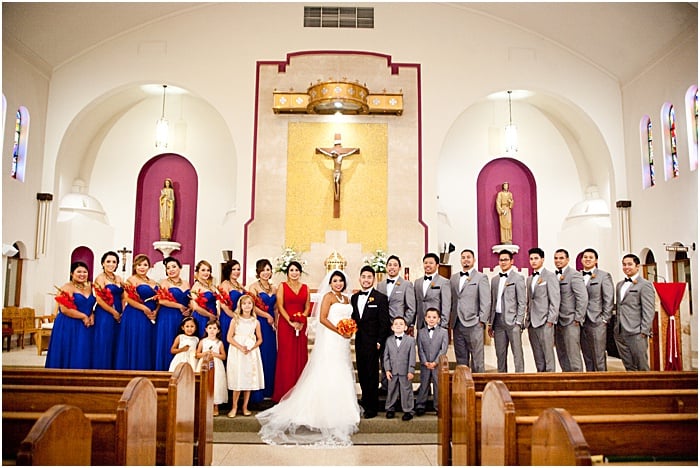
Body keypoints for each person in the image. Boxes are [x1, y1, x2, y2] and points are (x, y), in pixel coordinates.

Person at [256, 269, 361, 446]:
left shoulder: (346, 298)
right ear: (330, 283)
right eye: (335, 281)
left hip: (343, 341)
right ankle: (322, 409)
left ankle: (344, 407)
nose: (338, 284)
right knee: (329, 369)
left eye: (340, 281)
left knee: (342, 369)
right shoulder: (328, 297)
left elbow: (348, 317)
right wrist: (340, 330)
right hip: (331, 338)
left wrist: (348, 329)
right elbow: (322, 318)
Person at [351, 265, 391, 419]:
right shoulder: (354, 298)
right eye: (363, 277)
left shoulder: (380, 298)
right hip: (360, 341)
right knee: (362, 371)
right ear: (359, 279)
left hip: (374, 342)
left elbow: (384, 322)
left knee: (372, 373)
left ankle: (372, 406)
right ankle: (365, 399)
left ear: (373, 279)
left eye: (369, 277)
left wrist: (380, 341)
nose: (366, 280)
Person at [272, 261, 310, 402]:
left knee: (300, 356)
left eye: (297, 270)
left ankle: (299, 390)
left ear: (300, 272)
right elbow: (280, 306)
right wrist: (290, 321)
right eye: (292, 270)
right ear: (287, 272)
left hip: (301, 325)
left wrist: (301, 320)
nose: (294, 273)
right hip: (286, 325)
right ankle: (285, 390)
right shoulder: (282, 286)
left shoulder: (305, 288)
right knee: (286, 356)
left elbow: (307, 307)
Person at [46, 261, 96, 369]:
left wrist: (92, 314)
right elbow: (64, 309)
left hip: (86, 325)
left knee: (83, 351)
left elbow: (89, 305)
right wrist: (83, 316)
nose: (82, 274)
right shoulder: (66, 287)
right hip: (69, 324)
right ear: (72, 273)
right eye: (79, 272)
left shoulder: (89, 287)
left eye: (85, 272)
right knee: (71, 351)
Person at [376, 254, 415, 391]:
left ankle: (400, 385)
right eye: (390, 265)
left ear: (399, 267)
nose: (392, 267)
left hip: (398, 327)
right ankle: (385, 384)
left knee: (400, 356)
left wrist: (404, 325)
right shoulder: (380, 285)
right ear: (386, 267)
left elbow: (411, 308)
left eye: (395, 265)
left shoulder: (406, 285)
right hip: (383, 327)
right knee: (384, 356)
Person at [115, 254, 159, 370]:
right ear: (135, 266)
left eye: (145, 265)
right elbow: (128, 298)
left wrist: (156, 310)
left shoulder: (154, 282)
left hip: (150, 317)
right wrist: (143, 308)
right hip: (135, 314)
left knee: (146, 342)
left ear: (149, 267)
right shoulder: (131, 280)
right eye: (139, 265)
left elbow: (159, 298)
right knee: (136, 341)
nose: (142, 267)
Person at [449, 249, 490, 371]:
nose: (465, 259)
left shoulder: (481, 277)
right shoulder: (454, 278)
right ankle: (463, 388)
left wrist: (481, 320)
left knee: (477, 359)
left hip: (474, 323)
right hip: (457, 323)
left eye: (468, 257)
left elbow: (486, 301)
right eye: (463, 257)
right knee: (461, 358)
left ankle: (479, 387)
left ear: (474, 260)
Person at [614, 254, 655, 371]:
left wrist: (644, 331)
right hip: (620, 331)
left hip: (637, 331)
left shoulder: (645, 285)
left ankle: (647, 388)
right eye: (624, 264)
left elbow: (648, 309)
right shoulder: (619, 285)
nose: (626, 267)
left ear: (637, 266)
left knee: (641, 365)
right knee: (629, 366)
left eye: (630, 264)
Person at [488, 250, 527, 373]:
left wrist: (519, 322)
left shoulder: (518, 278)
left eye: (506, 259)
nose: (503, 262)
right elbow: (493, 301)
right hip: (498, 321)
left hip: (513, 321)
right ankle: (502, 379)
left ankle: (519, 379)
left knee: (517, 354)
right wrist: (490, 323)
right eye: (501, 260)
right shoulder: (494, 280)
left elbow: (522, 301)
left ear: (512, 261)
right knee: (500, 354)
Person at [227, 294, 264, 417]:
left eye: (249, 303)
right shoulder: (235, 320)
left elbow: (260, 339)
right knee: (238, 379)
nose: (247, 306)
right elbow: (229, 338)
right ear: (240, 306)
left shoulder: (256, 322)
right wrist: (240, 347)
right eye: (244, 304)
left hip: (250, 352)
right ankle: (234, 407)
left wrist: (252, 347)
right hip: (238, 351)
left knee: (248, 379)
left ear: (253, 306)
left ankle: (245, 407)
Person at [247, 258, 277, 403]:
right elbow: (251, 306)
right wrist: (267, 316)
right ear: (258, 272)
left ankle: (270, 389)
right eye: (263, 270)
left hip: (271, 325)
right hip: (259, 323)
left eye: (268, 269)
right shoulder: (253, 287)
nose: (266, 272)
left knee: (271, 354)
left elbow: (276, 307)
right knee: (260, 354)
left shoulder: (274, 288)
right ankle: (257, 392)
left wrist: (275, 320)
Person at [579, 248, 614, 371]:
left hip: (597, 321)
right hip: (581, 322)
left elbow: (608, 298)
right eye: (585, 257)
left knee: (598, 356)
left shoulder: (604, 276)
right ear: (582, 259)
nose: (587, 259)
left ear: (596, 260)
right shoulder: (578, 276)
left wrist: (605, 318)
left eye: (590, 257)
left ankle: (602, 385)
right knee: (587, 356)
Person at [553, 248, 587, 372]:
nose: (558, 261)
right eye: (556, 258)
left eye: (561, 258)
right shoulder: (553, 275)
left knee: (573, 354)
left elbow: (582, 298)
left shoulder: (574, 275)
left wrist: (578, 317)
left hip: (570, 320)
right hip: (557, 321)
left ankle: (578, 384)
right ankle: (566, 381)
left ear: (567, 259)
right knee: (562, 354)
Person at [526, 247, 560, 372]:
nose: (533, 261)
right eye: (531, 259)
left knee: (548, 355)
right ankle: (540, 378)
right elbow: (530, 300)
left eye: (536, 258)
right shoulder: (529, 279)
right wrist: (527, 319)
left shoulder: (550, 276)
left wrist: (550, 320)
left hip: (545, 321)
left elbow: (555, 300)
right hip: (532, 323)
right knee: (537, 354)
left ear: (542, 259)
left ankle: (550, 381)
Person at [155, 256, 191, 371]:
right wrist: (179, 306)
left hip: (182, 318)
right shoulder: (164, 283)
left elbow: (190, 299)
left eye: (174, 267)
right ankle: (165, 370)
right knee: (168, 342)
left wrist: (189, 309)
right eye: (168, 268)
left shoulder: (186, 283)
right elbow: (161, 300)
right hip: (167, 316)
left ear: (180, 268)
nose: (171, 270)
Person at [92, 251, 124, 369]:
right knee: (105, 340)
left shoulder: (119, 278)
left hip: (119, 312)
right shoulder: (100, 279)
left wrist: (122, 311)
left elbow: (123, 296)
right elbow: (99, 300)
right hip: (105, 313)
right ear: (103, 263)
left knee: (116, 340)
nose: (111, 264)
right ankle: (102, 369)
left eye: (114, 262)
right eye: (108, 261)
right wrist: (113, 312)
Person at [415, 308, 449, 415]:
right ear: (425, 318)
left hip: (437, 364)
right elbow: (420, 348)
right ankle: (420, 405)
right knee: (424, 384)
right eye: (429, 317)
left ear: (439, 319)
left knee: (438, 385)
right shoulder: (421, 332)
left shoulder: (443, 332)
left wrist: (435, 362)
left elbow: (443, 349)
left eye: (434, 317)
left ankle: (439, 406)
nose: (431, 319)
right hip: (425, 364)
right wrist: (424, 361)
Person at [383, 316, 416, 421]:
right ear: (392, 327)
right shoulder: (389, 340)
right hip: (393, 371)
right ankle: (390, 408)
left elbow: (412, 356)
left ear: (405, 327)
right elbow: (386, 356)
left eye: (401, 324)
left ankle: (408, 410)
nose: (398, 326)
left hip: (405, 370)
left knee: (406, 390)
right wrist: (387, 370)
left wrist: (411, 370)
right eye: (396, 324)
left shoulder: (410, 340)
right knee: (391, 390)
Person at [196, 319, 227, 416]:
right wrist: (205, 353)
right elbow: (197, 354)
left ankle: (215, 405)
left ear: (218, 330)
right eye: (210, 328)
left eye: (214, 328)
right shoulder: (202, 341)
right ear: (206, 329)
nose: (212, 330)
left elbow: (223, 356)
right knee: (204, 383)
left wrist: (215, 354)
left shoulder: (219, 343)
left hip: (216, 365)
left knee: (216, 384)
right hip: (204, 364)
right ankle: (204, 405)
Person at [412, 252, 451, 331]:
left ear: (437, 265)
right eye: (425, 263)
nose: (428, 265)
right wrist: (412, 323)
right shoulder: (417, 282)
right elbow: (414, 304)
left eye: (431, 263)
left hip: (437, 323)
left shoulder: (444, 282)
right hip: (421, 323)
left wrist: (443, 324)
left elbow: (446, 305)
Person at [218, 260, 246, 346]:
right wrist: (235, 317)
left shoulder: (239, 285)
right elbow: (223, 305)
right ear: (228, 270)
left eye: (238, 269)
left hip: (239, 317)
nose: (237, 272)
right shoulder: (225, 284)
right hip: (228, 317)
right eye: (234, 269)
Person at [190, 260, 218, 337]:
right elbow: (195, 307)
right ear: (197, 272)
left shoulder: (210, 285)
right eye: (203, 270)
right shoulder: (196, 286)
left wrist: (216, 315)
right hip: (202, 317)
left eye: (208, 270)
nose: (206, 273)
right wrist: (210, 315)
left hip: (213, 315)